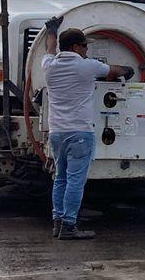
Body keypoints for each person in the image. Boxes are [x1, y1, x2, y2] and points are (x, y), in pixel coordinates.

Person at [41, 18, 135, 240]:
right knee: (75, 180)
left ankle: (57, 223)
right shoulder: (86, 66)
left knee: (60, 178)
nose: (86, 49)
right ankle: (70, 225)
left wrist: (51, 29)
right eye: (84, 46)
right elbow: (114, 70)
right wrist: (129, 70)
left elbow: (49, 47)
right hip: (80, 133)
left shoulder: (49, 66)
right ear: (75, 47)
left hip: (56, 132)